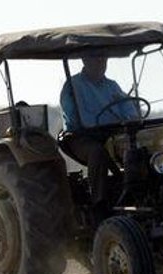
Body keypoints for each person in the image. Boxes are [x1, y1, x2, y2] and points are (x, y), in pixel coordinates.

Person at [59, 56, 139, 205]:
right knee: (97, 152)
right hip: (81, 136)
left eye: (103, 60)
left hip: (112, 133)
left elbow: (128, 109)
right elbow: (74, 117)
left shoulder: (112, 86)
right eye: (96, 59)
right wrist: (105, 121)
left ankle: (139, 192)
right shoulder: (73, 85)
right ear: (85, 60)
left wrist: (132, 117)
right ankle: (99, 204)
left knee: (139, 148)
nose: (101, 64)